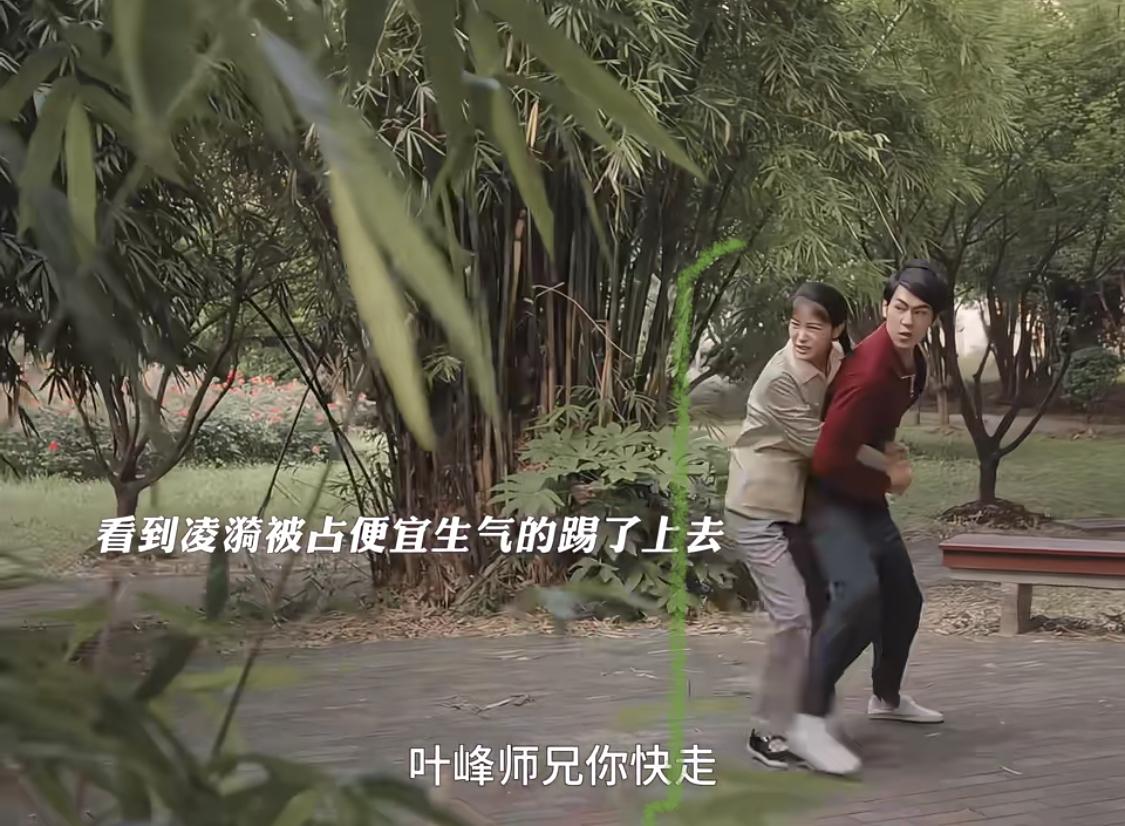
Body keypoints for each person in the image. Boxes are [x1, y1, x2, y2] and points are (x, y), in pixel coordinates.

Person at [723, 282, 910, 769]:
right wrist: (888, 465)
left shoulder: (840, 358)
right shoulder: (780, 379)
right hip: (759, 509)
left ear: (837, 330)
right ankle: (766, 731)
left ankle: (812, 711)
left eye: (814, 327)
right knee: (793, 619)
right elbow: (825, 444)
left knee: (834, 604)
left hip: (796, 507)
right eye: (795, 325)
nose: (802, 336)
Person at [785, 260, 953, 776]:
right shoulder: (870, 371)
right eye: (899, 308)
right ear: (885, 307)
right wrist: (889, 473)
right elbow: (828, 458)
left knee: (904, 599)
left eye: (919, 313)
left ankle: (886, 697)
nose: (907, 321)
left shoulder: (913, 362)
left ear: (932, 320)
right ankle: (803, 718)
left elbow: (873, 434)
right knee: (859, 598)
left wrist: (886, 457)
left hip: (864, 498)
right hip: (828, 499)